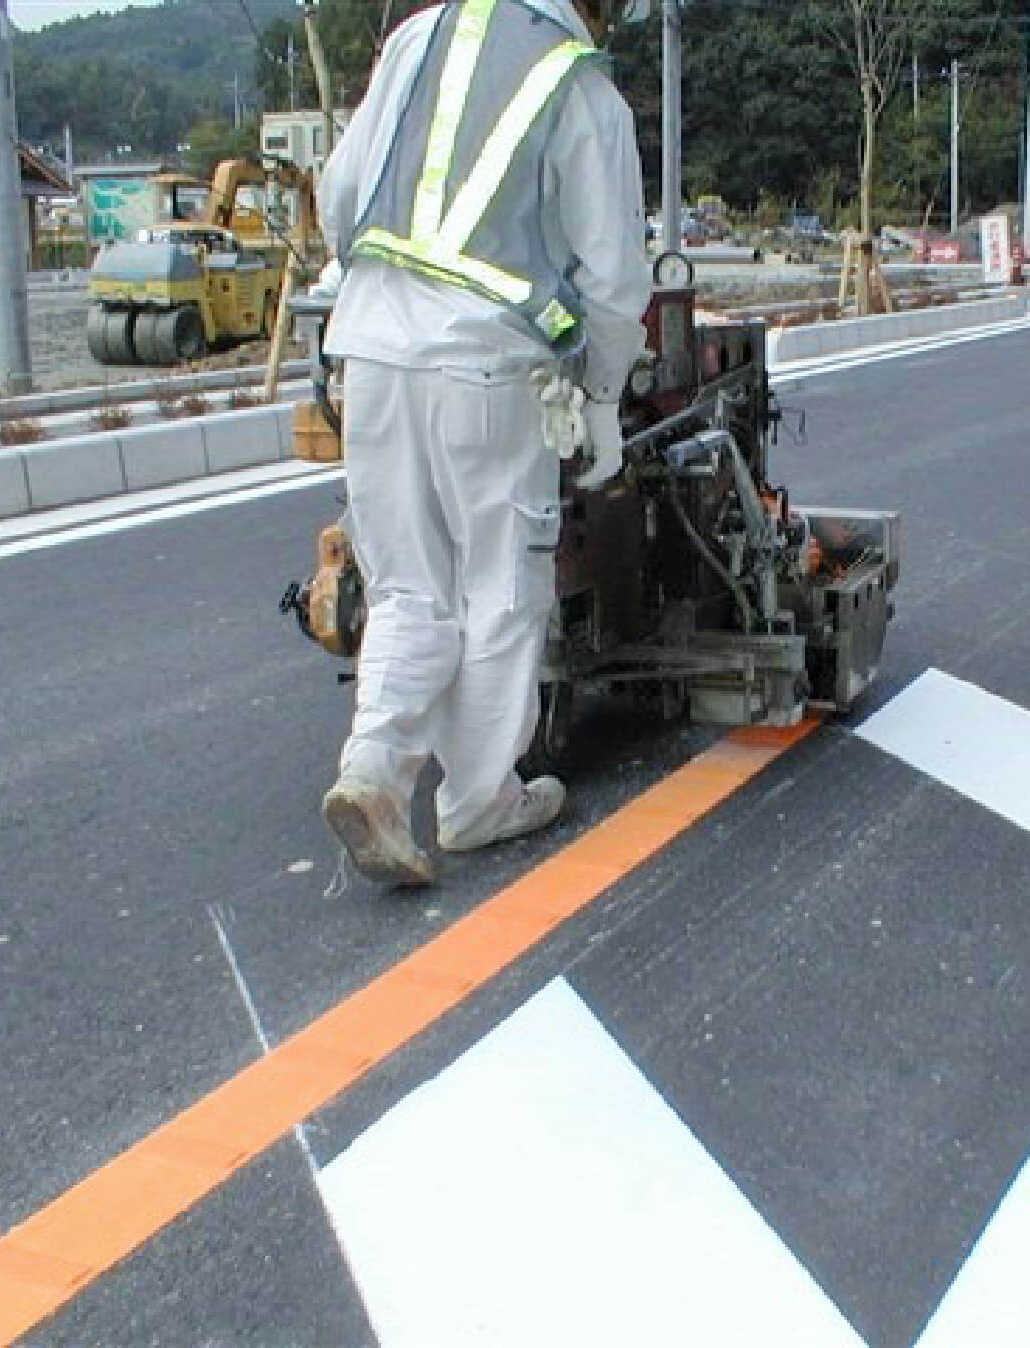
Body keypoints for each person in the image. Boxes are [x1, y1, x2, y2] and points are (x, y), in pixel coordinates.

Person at [313, 0, 654, 886]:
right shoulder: (578, 87)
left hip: (372, 356)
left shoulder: (415, 40)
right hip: (491, 370)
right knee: (502, 584)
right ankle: (475, 802)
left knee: (405, 586)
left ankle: (373, 774)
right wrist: (603, 401)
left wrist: (386, 298)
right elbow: (616, 282)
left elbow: (339, 195)